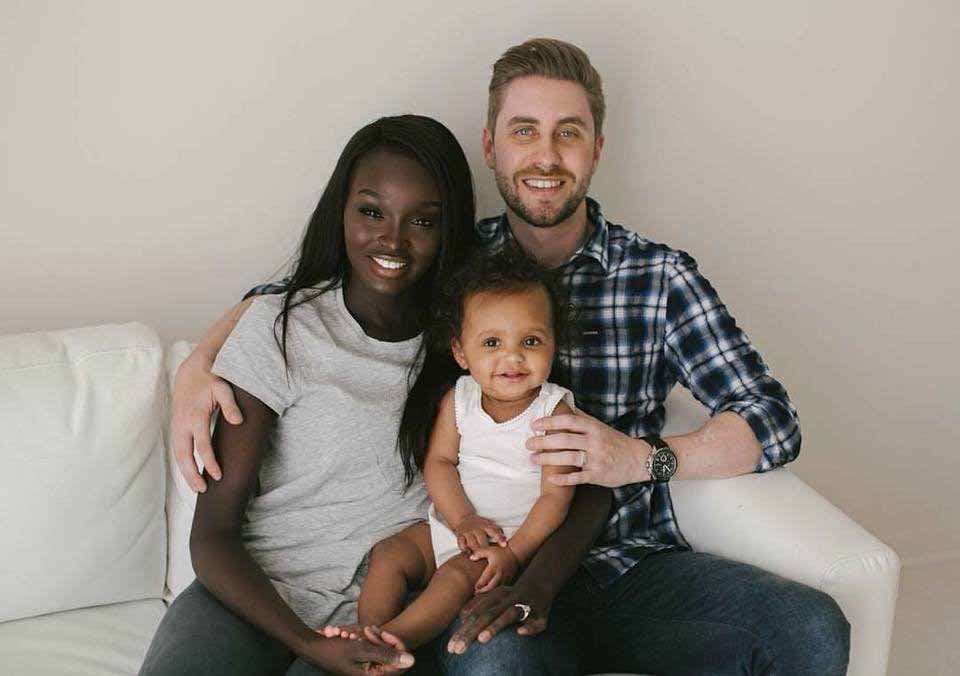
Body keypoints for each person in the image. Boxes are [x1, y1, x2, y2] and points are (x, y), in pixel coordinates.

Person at [172, 39, 850, 675]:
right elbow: (311, 292)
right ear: (491, 147)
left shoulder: (659, 278)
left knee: (811, 628)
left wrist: (640, 459)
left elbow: (773, 421)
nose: (547, 156)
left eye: (569, 132)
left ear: (596, 148)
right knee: (494, 660)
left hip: (628, 565)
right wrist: (198, 365)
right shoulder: (456, 267)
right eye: (525, 130)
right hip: (490, 571)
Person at [141, 114, 484, 676]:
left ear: (450, 230)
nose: (392, 240)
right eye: (371, 211)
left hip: (379, 618)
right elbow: (214, 537)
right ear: (341, 212)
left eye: (423, 220)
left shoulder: (468, 351)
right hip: (248, 599)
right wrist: (305, 641)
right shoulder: (282, 326)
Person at [320, 248, 583, 654]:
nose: (512, 357)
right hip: (456, 526)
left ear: (554, 345)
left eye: (531, 341)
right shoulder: (460, 398)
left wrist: (512, 555)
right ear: (461, 353)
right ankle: (367, 630)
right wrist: (461, 520)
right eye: (492, 342)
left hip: (507, 541)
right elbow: (439, 463)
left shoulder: (555, 411)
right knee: (389, 554)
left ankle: (397, 639)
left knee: (456, 576)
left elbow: (555, 499)